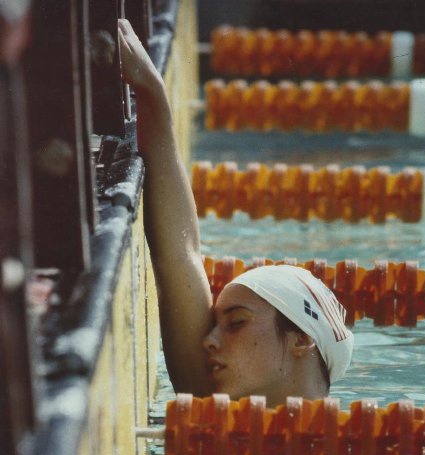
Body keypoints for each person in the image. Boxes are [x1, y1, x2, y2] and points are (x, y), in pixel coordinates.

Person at [118, 19, 353, 408]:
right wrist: (151, 92)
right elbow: (180, 254)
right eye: (221, 325)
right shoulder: (210, 403)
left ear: (301, 339)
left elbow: (183, 253)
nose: (208, 341)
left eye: (236, 324)